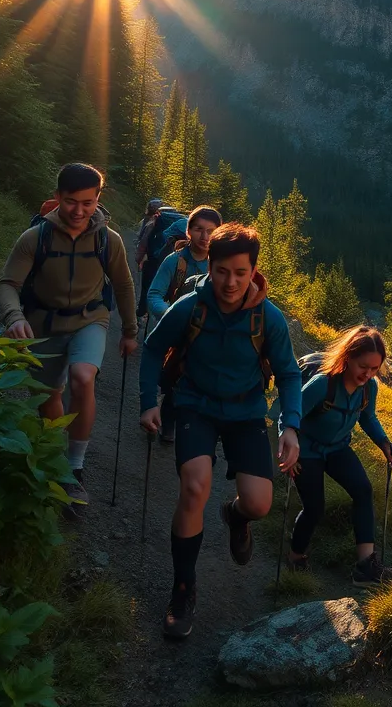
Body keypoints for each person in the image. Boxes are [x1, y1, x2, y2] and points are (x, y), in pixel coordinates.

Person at [139, 223, 302, 640]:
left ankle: (235, 515)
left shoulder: (269, 318)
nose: (231, 281)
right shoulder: (191, 307)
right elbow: (154, 348)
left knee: (259, 504)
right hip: (195, 403)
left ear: (254, 271)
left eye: (241, 272)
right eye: (222, 271)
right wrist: (147, 402)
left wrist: (291, 428)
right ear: (209, 266)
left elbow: (287, 375)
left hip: (246, 413)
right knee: (194, 488)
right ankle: (183, 589)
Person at [0, 162, 139, 505]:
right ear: (58, 197)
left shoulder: (109, 240)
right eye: (71, 201)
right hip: (42, 324)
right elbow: (7, 283)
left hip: (90, 320)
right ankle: (53, 456)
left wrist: (130, 331)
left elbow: (123, 284)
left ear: (97, 199)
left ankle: (74, 467)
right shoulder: (36, 237)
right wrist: (14, 316)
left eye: (88, 203)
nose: (79, 210)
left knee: (82, 377)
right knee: (48, 397)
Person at [285, 326, 392, 586]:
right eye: (363, 366)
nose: (367, 374)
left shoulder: (369, 388)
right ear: (347, 357)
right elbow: (291, 415)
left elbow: (368, 417)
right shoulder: (322, 384)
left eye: (374, 369)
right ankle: (296, 556)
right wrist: (289, 450)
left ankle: (365, 566)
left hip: (337, 448)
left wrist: (384, 442)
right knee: (314, 507)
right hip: (307, 451)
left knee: (363, 490)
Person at [146, 205, 222, 443]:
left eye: (211, 231)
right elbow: (154, 294)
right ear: (188, 231)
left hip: (209, 331)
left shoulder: (222, 264)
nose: (205, 236)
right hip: (180, 331)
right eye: (199, 229)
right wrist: (170, 315)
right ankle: (168, 420)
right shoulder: (175, 261)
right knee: (175, 374)